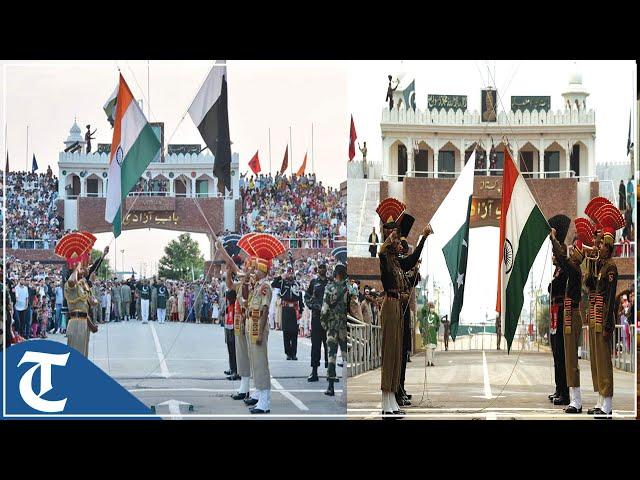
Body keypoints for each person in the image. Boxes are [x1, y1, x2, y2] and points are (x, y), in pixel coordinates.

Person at [376, 197, 431, 418]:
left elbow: (414, 257)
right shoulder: (384, 259)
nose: (400, 245)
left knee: (397, 353)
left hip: (397, 307)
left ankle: (392, 398)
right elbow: (384, 248)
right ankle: (385, 399)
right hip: (390, 306)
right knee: (390, 354)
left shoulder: (397, 263)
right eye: (397, 241)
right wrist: (391, 233)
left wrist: (424, 238)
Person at [585, 203, 623, 418]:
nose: (598, 247)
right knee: (597, 361)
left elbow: (609, 299)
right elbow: (589, 284)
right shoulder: (601, 267)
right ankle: (601, 400)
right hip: (595, 318)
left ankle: (607, 403)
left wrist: (608, 324)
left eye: (601, 245)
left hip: (603, 319)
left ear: (609, 246)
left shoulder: (611, 268)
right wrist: (591, 263)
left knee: (604, 361)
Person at [243, 234, 282, 414]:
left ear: (262, 270)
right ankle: (260, 396)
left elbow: (265, 310)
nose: (253, 271)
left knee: (261, 363)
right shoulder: (257, 285)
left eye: (256, 268)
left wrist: (259, 333)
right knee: (255, 362)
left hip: (259, 325)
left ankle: (264, 402)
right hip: (252, 323)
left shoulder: (265, 286)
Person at [550, 221, 584, 413]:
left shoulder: (573, 269)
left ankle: (576, 401)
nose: (572, 253)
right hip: (568, 315)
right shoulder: (574, 270)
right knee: (568, 359)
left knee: (570, 359)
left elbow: (562, 259)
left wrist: (554, 239)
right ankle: (574, 399)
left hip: (571, 315)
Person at [547, 215, 571, 407]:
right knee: (556, 355)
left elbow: (554, 288)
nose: (553, 256)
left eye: (556, 253)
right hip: (556, 317)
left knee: (562, 356)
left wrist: (554, 239)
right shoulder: (557, 271)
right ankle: (558, 389)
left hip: (563, 316)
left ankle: (565, 391)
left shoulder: (565, 268)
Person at [321, 263, 348, 396]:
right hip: (344, 326)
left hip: (332, 327)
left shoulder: (329, 288)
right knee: (345, 356)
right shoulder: (348, 289)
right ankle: (347, 387)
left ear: (335, 274)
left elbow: (324, 309)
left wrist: (324, 324)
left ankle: (331, 387)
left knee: (331, 356)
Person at [304, 262, 329, 381]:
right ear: (317, 269)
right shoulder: (313, 282)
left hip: (328, 318)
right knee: (315, 345)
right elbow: (307, 297)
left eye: (323, 267)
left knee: (329, 345)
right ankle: (314, 371)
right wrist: (312, 306)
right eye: (320, 268)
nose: (322, 269)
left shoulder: (330, 282)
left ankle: (331, 371)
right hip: (316, 317)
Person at [273, 267, 304, 360]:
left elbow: (300, 298)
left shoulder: (297, 284)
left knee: (294, 332)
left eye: (292, 273)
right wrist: (280, 277)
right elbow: (273, 284)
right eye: (289, 273)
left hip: (295, 309)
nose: (290, 275)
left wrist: (301, 310)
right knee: (286, 332)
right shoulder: (283, 283)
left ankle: (294, 353)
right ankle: (288, 353)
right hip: (286, 309)